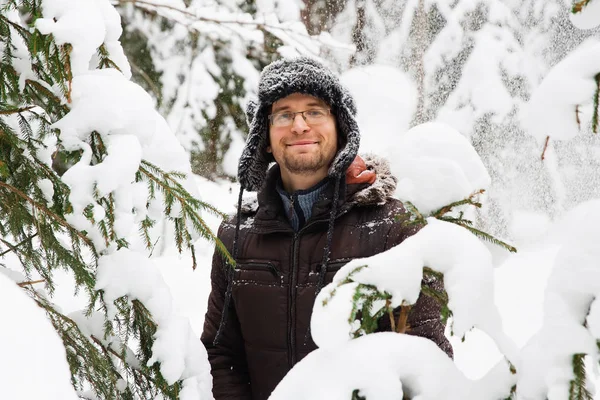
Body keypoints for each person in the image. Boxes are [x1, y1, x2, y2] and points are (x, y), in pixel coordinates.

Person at [201, 57, 452, 400]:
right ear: (265, 136)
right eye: (284, 114)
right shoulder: (237, 235)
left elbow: (426, 365)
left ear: (341, 128)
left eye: (314, 112)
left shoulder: (394, 229)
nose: (299, 126)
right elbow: (221, 355)